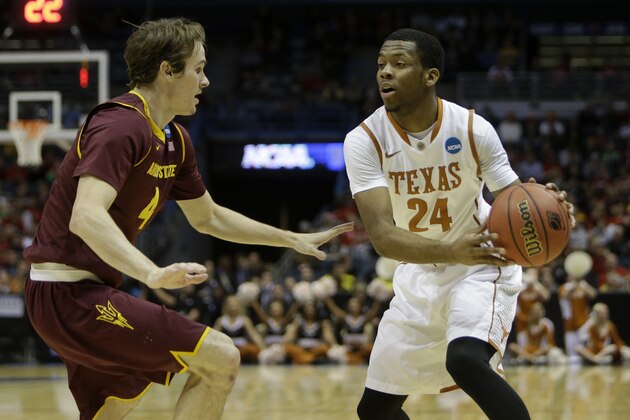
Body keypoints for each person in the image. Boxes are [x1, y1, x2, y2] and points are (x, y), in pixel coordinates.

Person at [22, 18, 352, 420]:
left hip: (85, 294)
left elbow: (209, 217)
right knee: (220, 357)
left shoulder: (175, 140)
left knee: (114, 405)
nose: (206, 80)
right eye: (198, 68)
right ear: (167, 70)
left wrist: (289, 239)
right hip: (65, 294)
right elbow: (86, 216)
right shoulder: (120, 124)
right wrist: (152, 273)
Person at [343, 28, 574, 420]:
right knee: (375, 410)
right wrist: (450, 251)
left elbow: (513, 198)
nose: (385, 73)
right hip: (419, 271)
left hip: (480, 264)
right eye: (381, 65)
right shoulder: (364, 140)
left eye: (399, 64)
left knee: (465, 359)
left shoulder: (471, 128)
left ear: (430, 75)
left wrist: (546, 207)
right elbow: (382, 237)